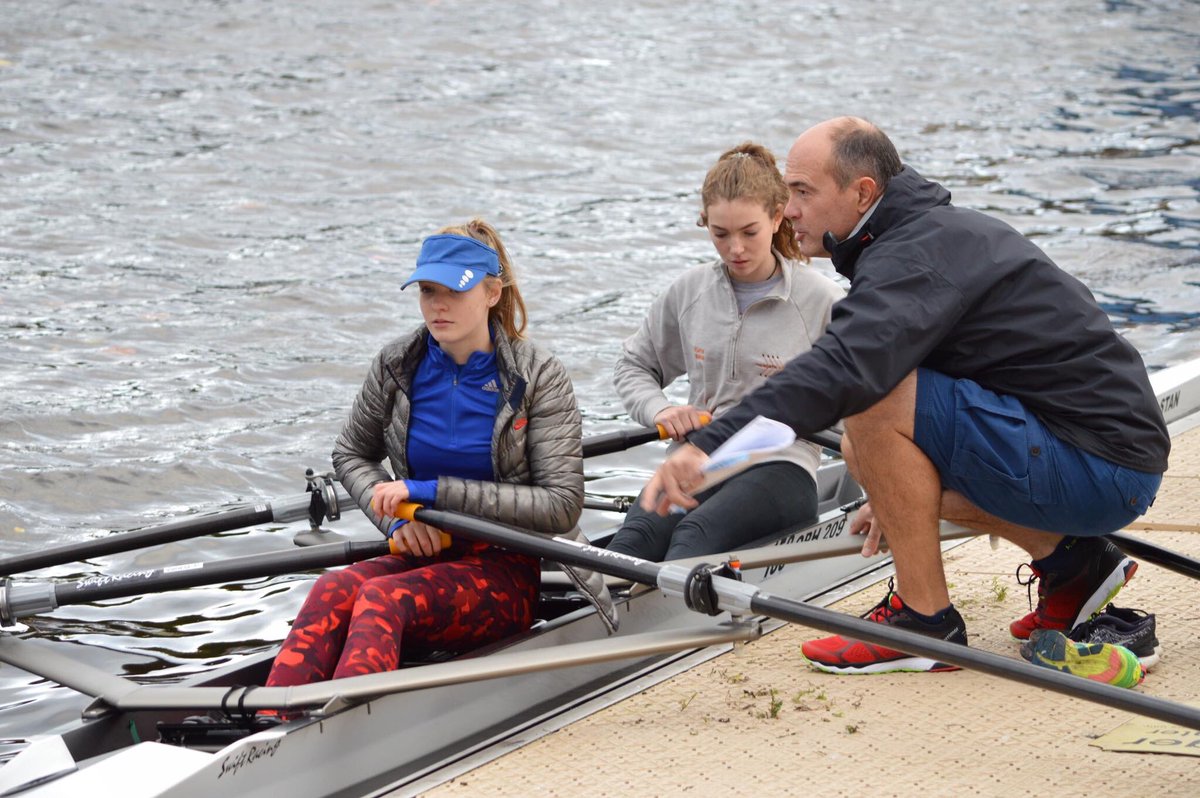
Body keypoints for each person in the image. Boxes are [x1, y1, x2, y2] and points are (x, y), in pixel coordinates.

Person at [640, 117, 1169, 675]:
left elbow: (840, 368)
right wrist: (895, 494)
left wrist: (711, 445)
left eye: (802, 192)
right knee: (858, 452)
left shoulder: (912, 257)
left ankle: (925, 621)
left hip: (1100, 461)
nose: (788, 210)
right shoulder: (923, 236)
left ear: (862, 192)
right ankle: (1074, 562)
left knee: (870, 399)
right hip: (1101, 448)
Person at [265, 219, 615, 691]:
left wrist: (427, 492)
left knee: (383, 601)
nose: (438, 304)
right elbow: (351, 453)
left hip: (506, 567)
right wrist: (398, 522)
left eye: (454, 290)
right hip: (426, 553)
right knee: (332, 588)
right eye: (428, 290)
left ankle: (343, 733)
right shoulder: (397, 363)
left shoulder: (538, 377)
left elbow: (560, 505)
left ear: (493, 292)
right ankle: (273, 721)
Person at [606, 142, 844, 562]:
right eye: (720, 234)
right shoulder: (688, 293)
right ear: (706, 225)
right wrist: (659, 410)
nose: (735, 248)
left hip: (784, 463)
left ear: (776, 217)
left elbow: (862, 395)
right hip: (697, 458)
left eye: (749, 232)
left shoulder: (820, 299)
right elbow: (634, 365)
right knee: (633, 543)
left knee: (693, 537)